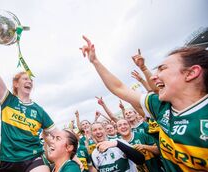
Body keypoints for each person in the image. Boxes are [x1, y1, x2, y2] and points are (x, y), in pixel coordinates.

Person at [80, 35, 208, 171]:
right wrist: (95, 61)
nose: (153, 76)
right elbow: (119, 88)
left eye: (162, 69)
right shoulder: (160, 106)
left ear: (191, 73)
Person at [0, 39, 57, 172]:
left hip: (33, 157)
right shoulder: (7, 100)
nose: (29, 81)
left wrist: (72, 154)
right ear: (16, 84)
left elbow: (57, 134)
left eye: (31, 80)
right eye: (25, 78)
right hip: (8, 161)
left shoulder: (39, 110)